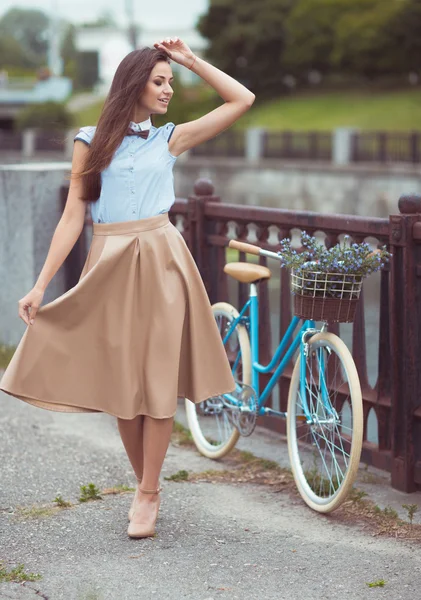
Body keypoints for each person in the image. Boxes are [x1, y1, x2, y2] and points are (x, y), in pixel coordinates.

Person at [0, 37, 255, 539]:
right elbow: (75, 213)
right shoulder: (89, 141)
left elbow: (241, 100)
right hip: (109, 261)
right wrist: (41, 285)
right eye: (159, 81)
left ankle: (149, 492)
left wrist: (189, 60)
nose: (167, 90)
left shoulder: (169, 139)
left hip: (162, 260)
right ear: (133, 82)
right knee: (123, 387)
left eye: (170, 83)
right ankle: (145, 482)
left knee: (158, 378)